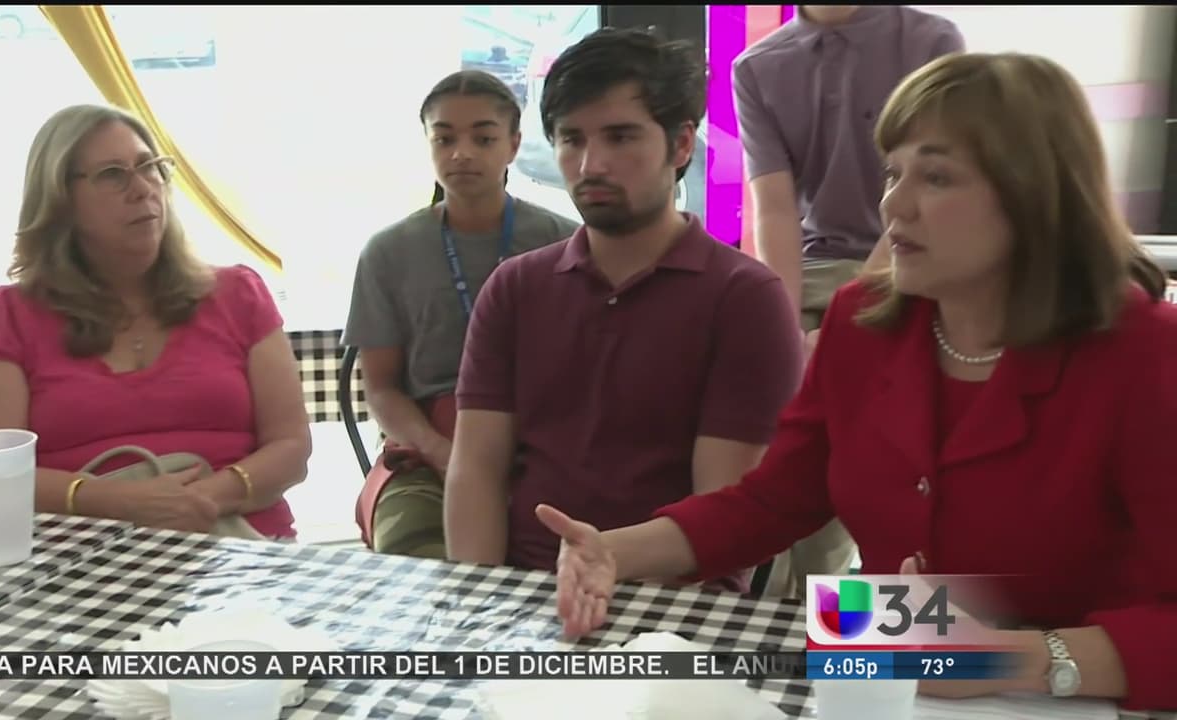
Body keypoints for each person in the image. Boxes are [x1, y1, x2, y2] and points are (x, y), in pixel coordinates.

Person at [537, 52, 1177, 712]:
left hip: (1082, 694)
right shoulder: (861, 320)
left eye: (936, 176)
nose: (894, 203)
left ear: (1035, 195)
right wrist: (614, 552)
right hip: (884, 670)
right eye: (893, 172)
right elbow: (775, 501)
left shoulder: (1146, 349)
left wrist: (1012, 659)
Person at [444, 28, 804, 592]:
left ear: (681, 145)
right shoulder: (515, 288)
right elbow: (477, 470)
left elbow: (722, 514)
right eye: (572, 139)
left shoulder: (744, 298)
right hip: (526, 590)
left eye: (619, 137)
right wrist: (480, 601)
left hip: (678, 600)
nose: (591, 164)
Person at [0, 104, 311, 539]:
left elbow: (292, 448)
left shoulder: (238, 294)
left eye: (150, 167)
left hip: (243, 545)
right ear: (59, 199)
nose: (142, 189)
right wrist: (119, 503)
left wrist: (204, 500)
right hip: (80, 557)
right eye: (112, 175)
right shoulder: (6, 318)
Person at [734, 4, 965, 593]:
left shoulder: (932, 40)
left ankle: (838, 602)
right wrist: (786, 333)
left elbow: (918, 201)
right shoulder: (757, 67)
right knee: (775, 435)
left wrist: (849, 321)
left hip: (913, 265)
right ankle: (783, 606)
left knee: (861, 447)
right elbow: (775, 211)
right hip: (809, 271)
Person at [344, 71, 580, 558]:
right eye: (445, 138)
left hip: (546, 449)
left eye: (484, 138)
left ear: (514, 145)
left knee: (570, 561)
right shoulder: (389, 252)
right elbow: (382, 388)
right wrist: (442, 454)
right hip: (427, 455)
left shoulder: (566, 242)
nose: (462, 153)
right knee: (417, 563)